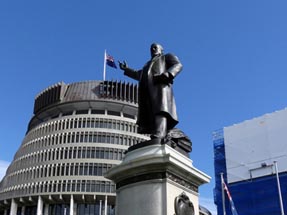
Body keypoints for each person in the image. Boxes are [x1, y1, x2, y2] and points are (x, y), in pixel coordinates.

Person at [119, 43, 182, 139]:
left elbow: (178, 65)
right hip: (147, 91)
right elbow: (138, 74)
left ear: (161, 50)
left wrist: (168, 74)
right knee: (151, 112)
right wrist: (127, 69)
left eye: (155, 47)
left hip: (161, 89)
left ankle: (160, 133)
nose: (152, 49)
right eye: (151, 48)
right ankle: (157, 132)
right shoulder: (147, 65)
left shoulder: (166, 57)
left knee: (161, 110)